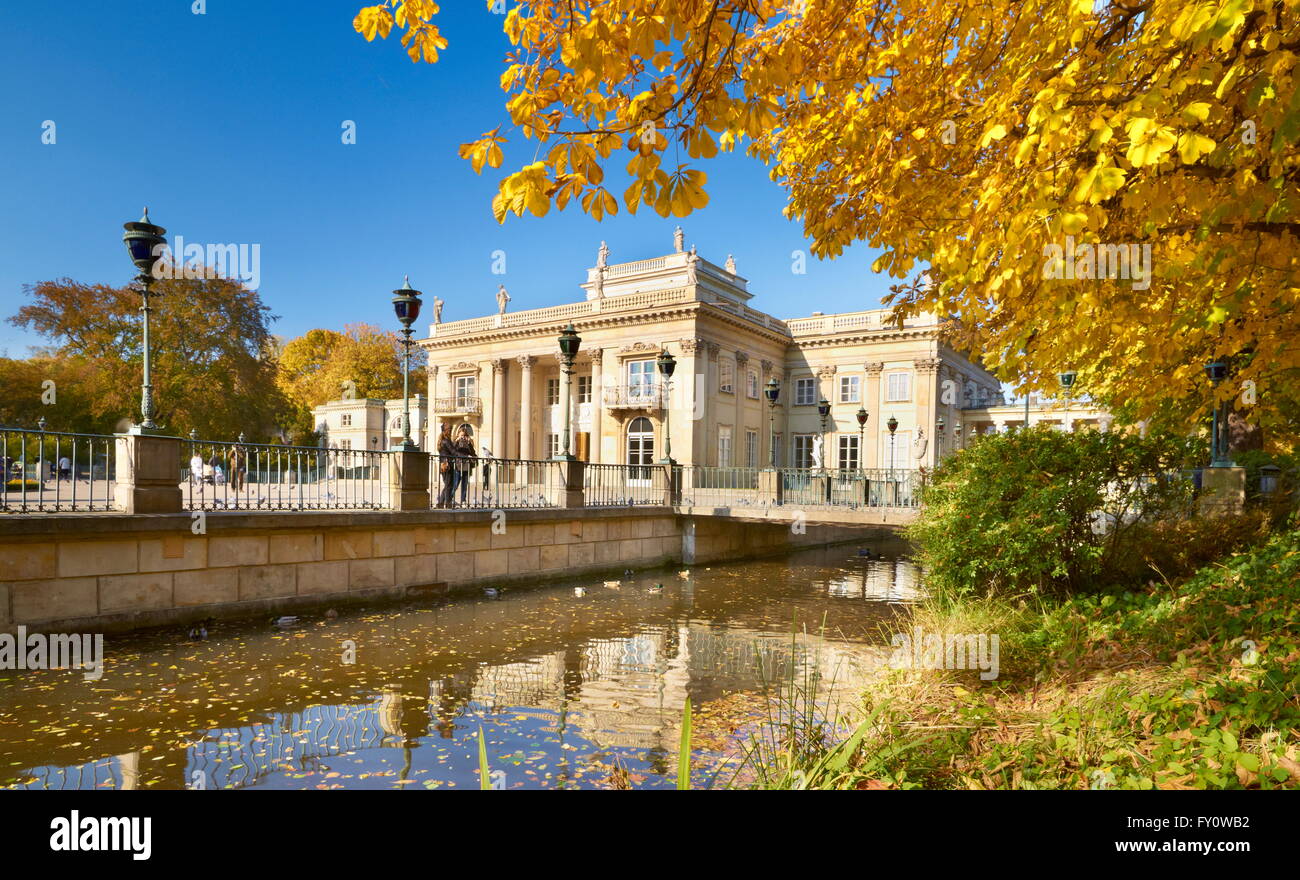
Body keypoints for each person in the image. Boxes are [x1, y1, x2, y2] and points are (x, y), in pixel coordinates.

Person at [435, 423, 457, 507]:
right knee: (449, 485)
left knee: (448, 484)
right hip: (447, 465)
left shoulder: (442, 440)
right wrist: (465, 456)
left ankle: (441, 503)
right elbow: (453, 451)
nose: (450, 431)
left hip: (443, 464)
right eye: (449, 430)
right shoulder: (446, 441)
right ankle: (447, 503)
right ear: (446, 431)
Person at [453, 424, 476, 505]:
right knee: (455, 483)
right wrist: (457, 441)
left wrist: (470, 443)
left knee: (464, 484)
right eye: (461, 435)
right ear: (458, 434)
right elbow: (454, 451)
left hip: (466, 466)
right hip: (458, 465)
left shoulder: (468, 442)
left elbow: (473, 453)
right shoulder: (456, 442)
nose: (463, 437)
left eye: (464, 435)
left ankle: (463, 500)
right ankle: (450, 498)